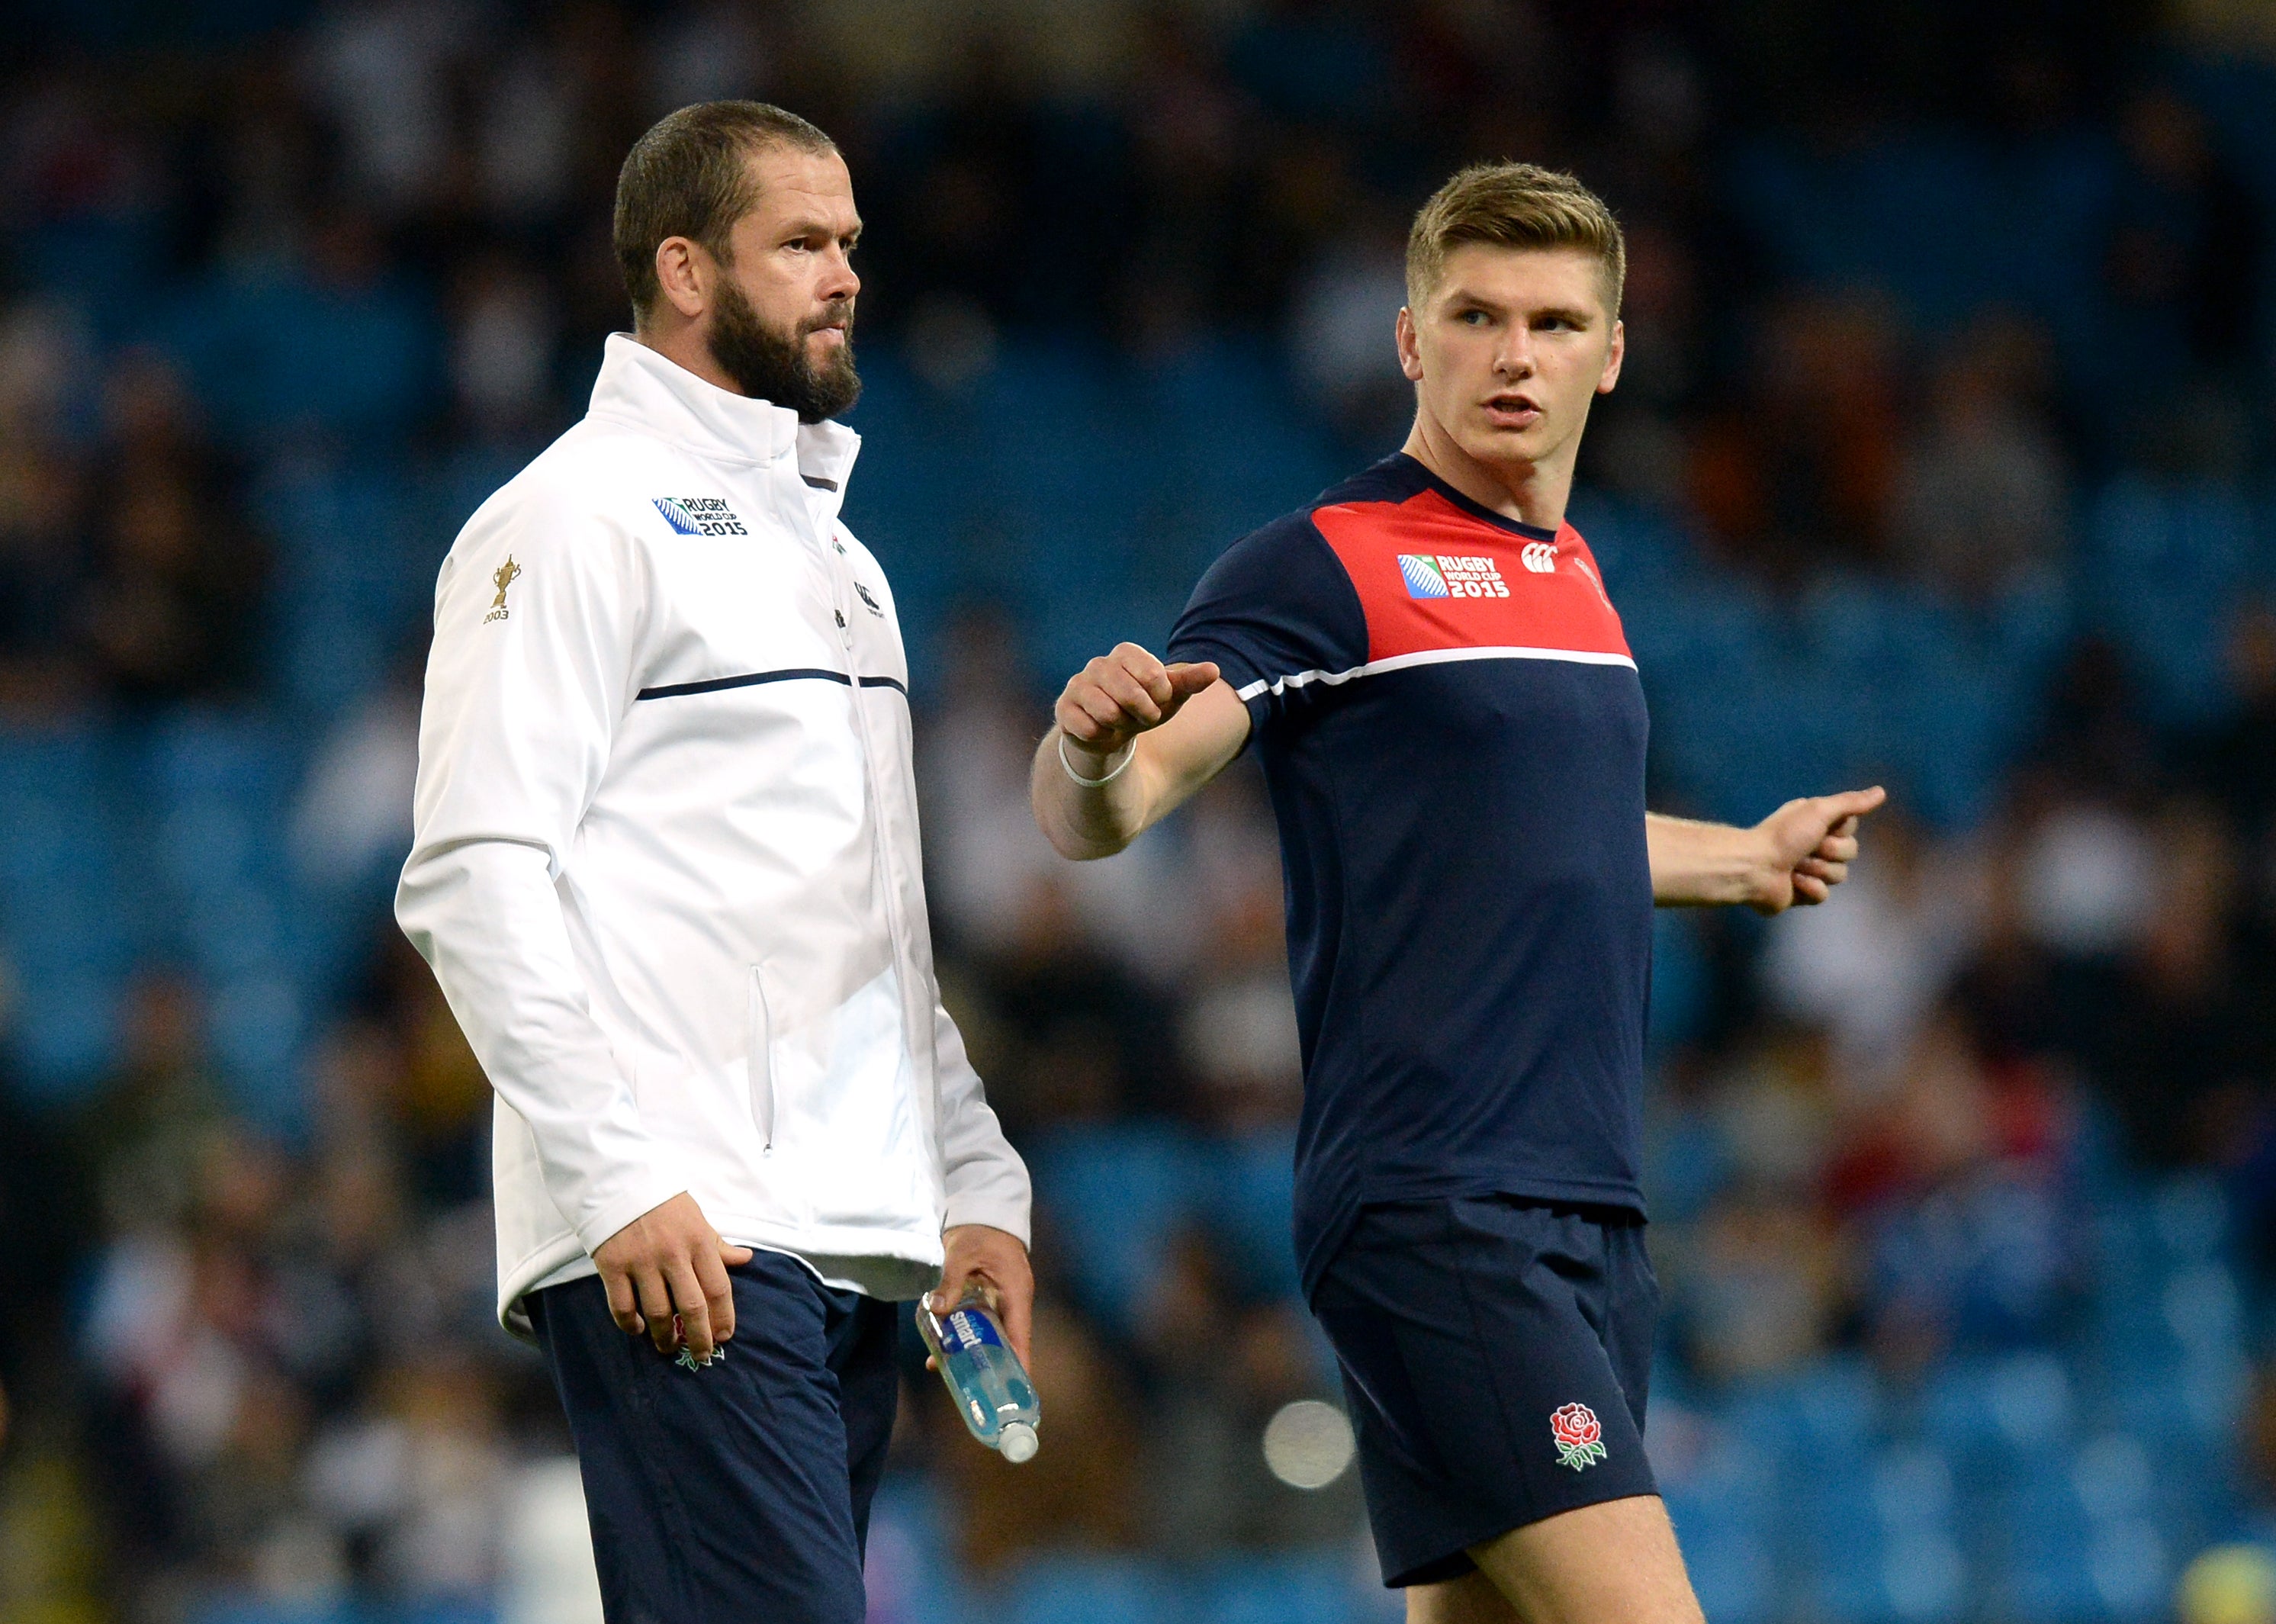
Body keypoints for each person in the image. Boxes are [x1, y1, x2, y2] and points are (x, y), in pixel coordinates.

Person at [1030, 162, 1883, 1624]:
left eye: (1555, 322)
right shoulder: (1324, 565)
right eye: (1477, 315)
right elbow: (1107, 806)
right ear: (1411, 340)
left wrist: (1743, 858)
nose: (1514, 354)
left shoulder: (1578, 574)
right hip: (1445, 1207)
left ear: (1612, 354)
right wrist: (1088, 751)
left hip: (1589, 1210)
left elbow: (1533, 835)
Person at [397, 101, 1032, 1624]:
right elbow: (472, 872)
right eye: (801, 243)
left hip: (854, 1239)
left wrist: (971, 1177)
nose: (846, 275)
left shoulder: (843, 561)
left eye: (851, 243)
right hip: (688, 1233)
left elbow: (877, 919)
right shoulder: (569, 516)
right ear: (683, 270)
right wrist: (619, 1180)